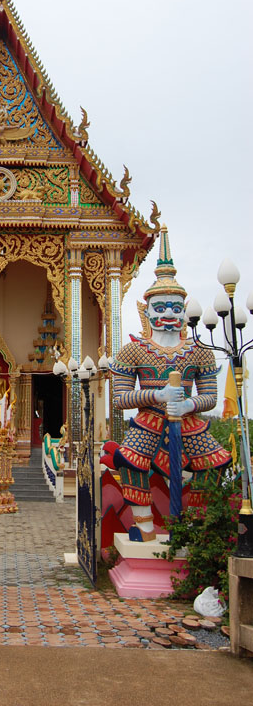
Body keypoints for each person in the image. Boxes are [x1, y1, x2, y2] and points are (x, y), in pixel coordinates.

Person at [108, 227, 231, 541]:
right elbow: (120, 398)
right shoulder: (133, 350)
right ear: (146, 311)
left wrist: (188, 403)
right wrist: (158, 394)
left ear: (185, 312)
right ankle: (144, 525)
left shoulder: (199, 350)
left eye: (176, 308)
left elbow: (210, 396)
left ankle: (196, 525)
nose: (168, 314)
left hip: (187, 420)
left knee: (215, 462)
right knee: (129, 460)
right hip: (149, 419)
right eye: (160, 307)